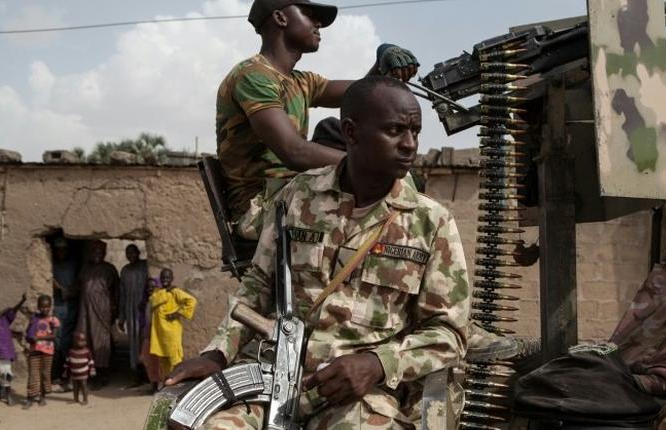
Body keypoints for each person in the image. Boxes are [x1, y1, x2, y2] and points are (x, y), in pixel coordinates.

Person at [168, 76, 470, 429]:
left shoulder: (431, 222)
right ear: (351, 132)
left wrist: (378, 363)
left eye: (415, 132)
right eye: (395, 130)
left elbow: (449, 333)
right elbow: (257, 284)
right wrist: (217, 352)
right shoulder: (298, 195)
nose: (409, 144)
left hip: (355, 397)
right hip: (269, 377)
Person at [217, 0, 419, 240]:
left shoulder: (301, 81)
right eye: (309, 15)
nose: (318, 24)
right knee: (391, 204)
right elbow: (294, 152)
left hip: (294, 194)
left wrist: (383, 61)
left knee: (345, 135)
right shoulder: (253, 76)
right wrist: (373, 167)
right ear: (281, 18)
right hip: (262, 209)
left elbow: (363, 95)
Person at [75, 240, 119, 389]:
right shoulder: (85, 268)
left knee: (101, 341)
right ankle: (84, 373)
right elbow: (78, 285)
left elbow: (116, 291)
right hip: (85, 310)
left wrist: (115, 309)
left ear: (104, 254)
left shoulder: (109, 269)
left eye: (99, 253)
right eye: (94, 252)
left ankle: (102, 375)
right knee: (84, 338)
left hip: (102, 309)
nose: (96, 255)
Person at [149, 269, 197, 380]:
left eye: (167, 278)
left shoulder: (175, 292)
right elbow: (153, 300)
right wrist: (164, 292)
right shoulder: (159, 292)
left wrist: (177, 313)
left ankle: (178, 381)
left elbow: (191, 301)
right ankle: (167, 381)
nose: (165, 280)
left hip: (171, 331)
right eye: (163, 278)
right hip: (160, 332)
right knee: (164, 359)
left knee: (174, 357)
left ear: (172, 279)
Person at [117, 244, 149, 385]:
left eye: (133, 252)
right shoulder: (125, 271)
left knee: (145, 341)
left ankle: (148, 375)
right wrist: (122, 317)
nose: (130, 255)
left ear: (138, 253)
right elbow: (122, 294)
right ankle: (136, 373)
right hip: (131, 311)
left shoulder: (145, 267)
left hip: (144, 310)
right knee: (133, 343)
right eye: (127, 253)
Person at [51, 237, 80, 392]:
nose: (61, 252)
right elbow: (48, 277)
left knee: (69, 342)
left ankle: (68, 375)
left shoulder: (73, 265)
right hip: (57, 306)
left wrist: (71, 291)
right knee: (57, 341)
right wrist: (61, 289)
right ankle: (57, 375)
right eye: (58, 249)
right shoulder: (52, 265)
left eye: (63, 249)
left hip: (71, 306)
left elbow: (79, 280)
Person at [23, 294, 60, 409]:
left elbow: (54, 336)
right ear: (38, 306)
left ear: (50, 306)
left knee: (45, 374)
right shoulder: (34, 318)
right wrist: (29, 338)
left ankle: (42, 396)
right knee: (33, 374)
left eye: (47, 306)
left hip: (47, 351)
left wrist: (38, 338)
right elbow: (28, 332)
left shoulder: (53, 320)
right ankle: (30, 397)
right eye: (42, 306)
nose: (45, 309)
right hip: (34, 350)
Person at [0, 293, 26, 406]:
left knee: (6, 374)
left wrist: (22, 301)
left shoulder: (4, 319)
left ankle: (8, 395)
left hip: (4, 352)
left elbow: (13, 310)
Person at [138, 278, 161, 394]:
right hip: (148, 335)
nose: (150, 289)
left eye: (153, 287)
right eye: (148, 287)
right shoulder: (146, 302)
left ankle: (161, 385)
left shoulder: (160, 300)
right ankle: (154, 384)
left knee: (158, 361)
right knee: (148, 360)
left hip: (158, 335)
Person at [62, 332, 96, 405]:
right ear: (74, 341)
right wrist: (65, 370)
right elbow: (68, 361)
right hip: (73, 373)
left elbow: (91, 362)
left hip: (83, 372)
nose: (83, 342)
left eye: (84, 340)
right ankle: (75, 399)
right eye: (80, 340)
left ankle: (85, 399)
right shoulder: (71, 351)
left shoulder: (87, 351)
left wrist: (92, 370)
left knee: (84, 385)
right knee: (75, 386)